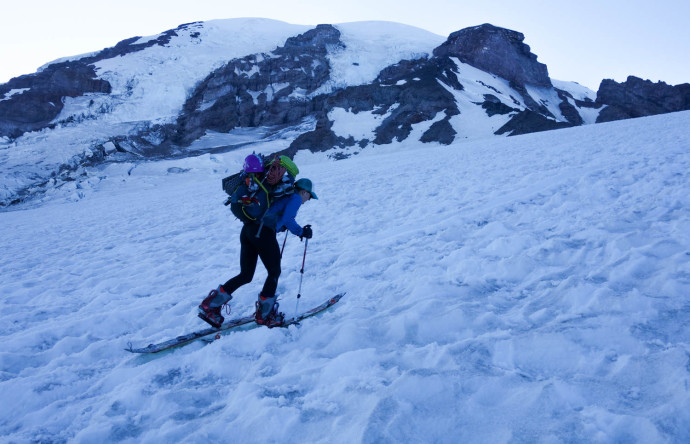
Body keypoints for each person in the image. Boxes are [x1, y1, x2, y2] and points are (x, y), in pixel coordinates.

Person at [198, 177, 318, 328]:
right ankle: (265, 315)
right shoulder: (294, 197)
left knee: (246, 275)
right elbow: (288, 219)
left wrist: (280, 227)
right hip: (263, 233)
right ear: (304, 192)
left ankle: (210, 306)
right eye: (309, 196)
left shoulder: (282, 195)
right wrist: (301, 232)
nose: (308, 200)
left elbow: (275, 217)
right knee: (274, 271)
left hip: (248, 230)